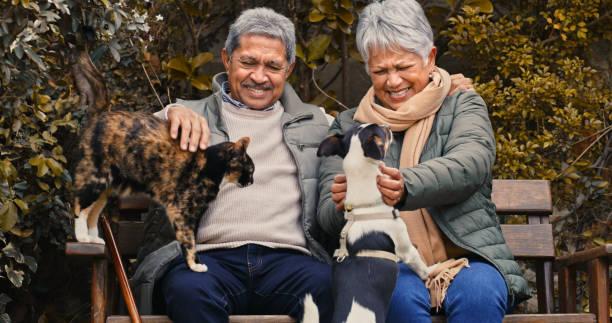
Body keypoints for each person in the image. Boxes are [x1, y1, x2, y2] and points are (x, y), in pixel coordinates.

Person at [317, 1, 530, 322]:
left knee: (480, 296)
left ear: (429, 58)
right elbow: (325, 216)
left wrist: (405, 186)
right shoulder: (349, 126)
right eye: (380, 71)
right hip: (388, 260)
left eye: (403, 67)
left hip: (468, 259)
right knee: (395, 296)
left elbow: (470, 164)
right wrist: (342, 205)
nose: (393, 81)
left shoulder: (462, 105)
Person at [130, 8, 334, 322]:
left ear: (289, 69)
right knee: (188, 291)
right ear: (227, 59)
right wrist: (166, 116)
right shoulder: (188, 116)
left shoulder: (318, 124)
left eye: (273, 66)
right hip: (209, 261)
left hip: (290, 262)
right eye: (248, 62)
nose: (259, 76)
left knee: (330, 286)